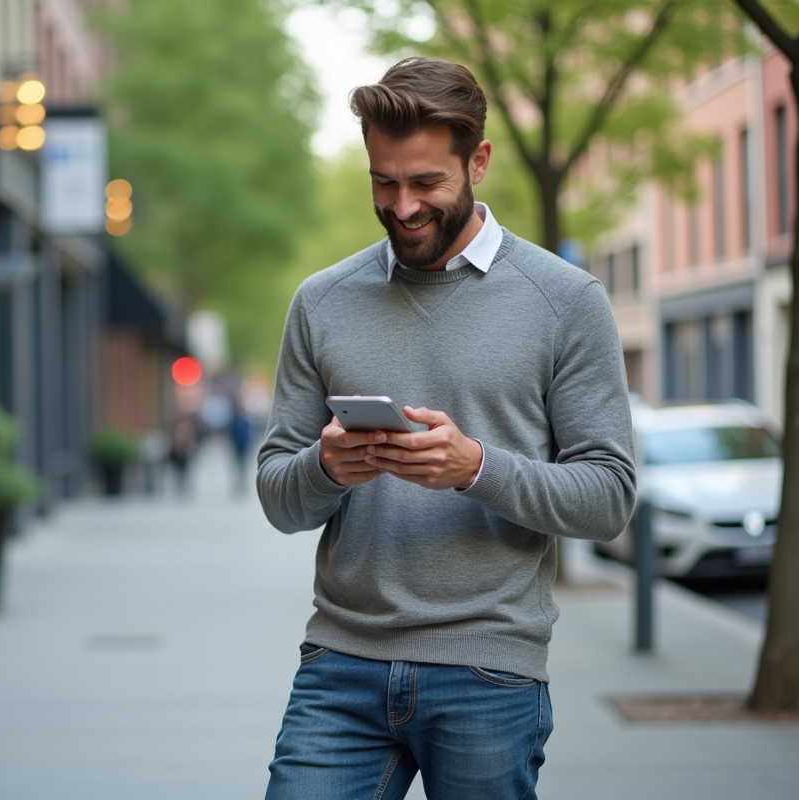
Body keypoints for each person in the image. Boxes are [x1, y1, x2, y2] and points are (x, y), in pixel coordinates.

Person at [256, 57, 636, 800]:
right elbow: (278, 497)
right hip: (340, 663)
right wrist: (327, 467)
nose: (402, 207)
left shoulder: (566, 301)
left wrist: (474, 468)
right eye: (383, 182)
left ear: (479, 162)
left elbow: (609, 497)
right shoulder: (322, 301)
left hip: (489, 669)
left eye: (426, 183)